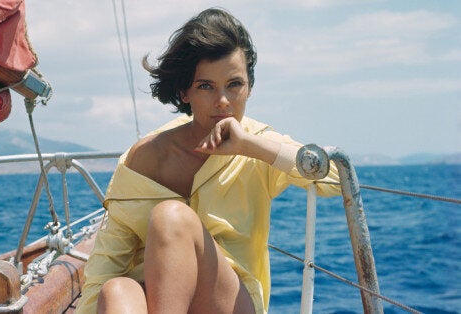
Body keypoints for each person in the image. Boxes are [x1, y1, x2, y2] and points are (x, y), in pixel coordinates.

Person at [75, 7, 340, 314]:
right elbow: (106, 265)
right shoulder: (144, 160)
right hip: (158, 299)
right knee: (116, 289)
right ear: (184, 92)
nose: (223, 101)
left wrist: (250, 146)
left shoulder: (259, 144)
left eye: (234, 84)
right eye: (205, 86)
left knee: (171, 217)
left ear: (250, 87)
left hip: (230, 302)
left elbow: (334, 180)